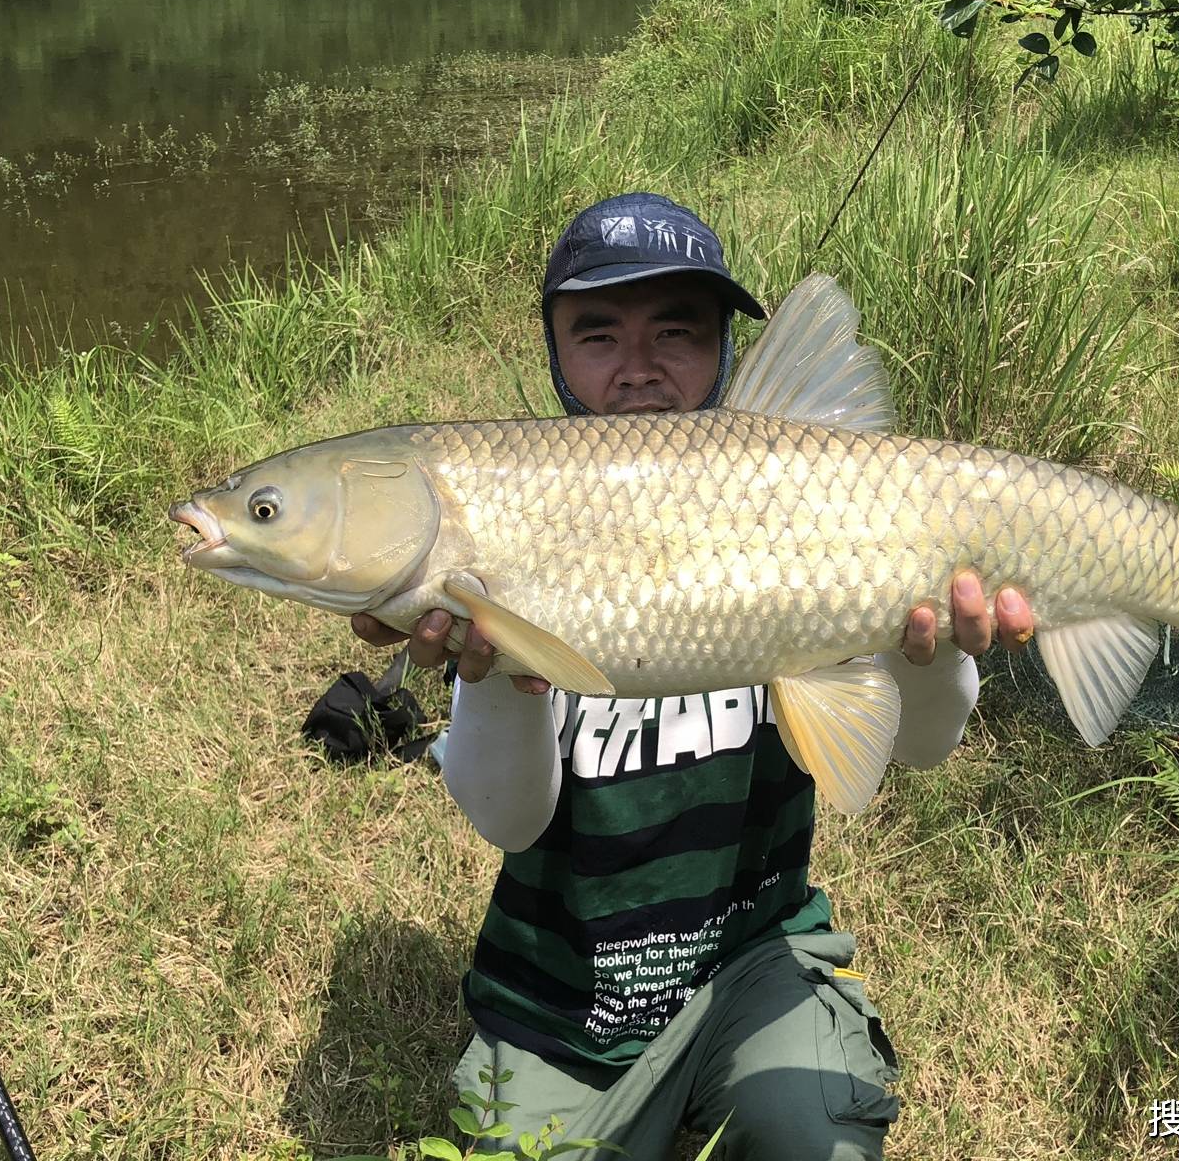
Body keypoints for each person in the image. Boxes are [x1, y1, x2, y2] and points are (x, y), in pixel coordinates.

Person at [350, 194, 1034, 1159]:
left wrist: (935, 650)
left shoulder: (823, 503)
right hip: (565, 993)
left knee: (819, 1141)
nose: (638, 367)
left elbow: (920, 746)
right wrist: (503, 673)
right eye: (598, 333)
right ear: (556, 354)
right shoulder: (507, 522)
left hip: (756, 957)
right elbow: (509, 820)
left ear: (723, 349)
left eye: (677, 329)